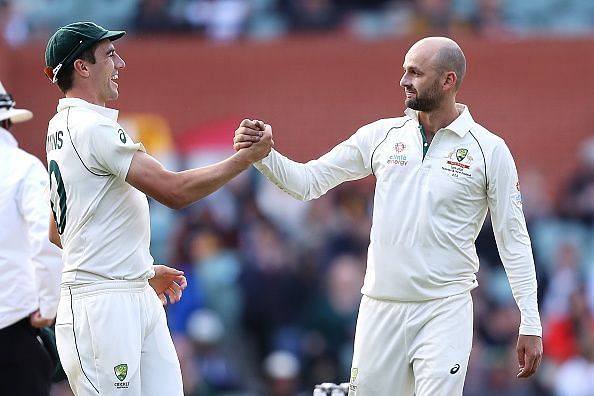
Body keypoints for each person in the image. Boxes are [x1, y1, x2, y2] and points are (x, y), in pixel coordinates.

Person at [234, 36, 543, 395]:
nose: (403, 81)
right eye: (404, 71)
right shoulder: (382, 135)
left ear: (448, 81)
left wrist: (530, 321)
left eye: (415, 72)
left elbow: (513, 238)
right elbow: (308, 182)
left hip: (445, 309)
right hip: (380, 307)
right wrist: (263, 155)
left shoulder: (489, 150)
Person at [43, 21, 272, 395]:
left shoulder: (61, 126)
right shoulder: (90, 128)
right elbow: (174, 191)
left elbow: (59, 231)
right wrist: (244, 159)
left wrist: (135, 271)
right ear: (82, 67)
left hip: (126, 291)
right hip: (103, 306)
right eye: (109, 55)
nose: (120, 63)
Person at [0, 81, 63, 396]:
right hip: (14, 326)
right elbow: (47, 239)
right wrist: (50, 305)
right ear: (8, 120)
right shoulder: (23, 168)